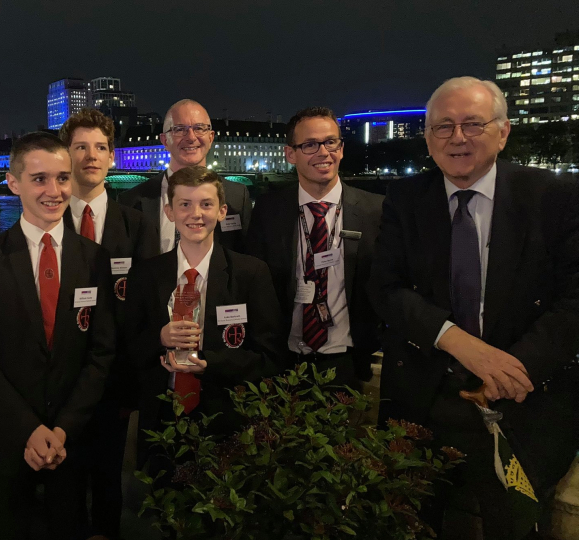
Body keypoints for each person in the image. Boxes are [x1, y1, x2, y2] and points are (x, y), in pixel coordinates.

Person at [368, 76, 579, 539]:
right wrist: (459, 343)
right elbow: (386, 289)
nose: (457, 137)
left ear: (503, 132)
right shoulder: (405, 199)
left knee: (516, 528)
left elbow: (574, 301)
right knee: (406, 524)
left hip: (521, 404)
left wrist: (512, 368)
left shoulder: (554, 197)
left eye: (472, 123)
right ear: (426, 137)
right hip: (424, 399)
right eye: (443, 127)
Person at [0, 132, 116, 540]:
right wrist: (28, 428)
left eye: (62, 178)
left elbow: (100, 352)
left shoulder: (94, 259)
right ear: (13, 183)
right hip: (6, 441)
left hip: (71, 442)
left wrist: (63, 429)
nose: (54, 190)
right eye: (39, 178)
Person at [124, 165, 282, 470]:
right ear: (169, 212)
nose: (196, 214)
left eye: (206, 204)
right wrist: (160, 338)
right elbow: (127, 347)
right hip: (161, 422)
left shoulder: (251, 273)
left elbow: (270, 357)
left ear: (222, 211)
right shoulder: (145, 275)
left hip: (228, 420)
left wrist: (211, 363)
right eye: (185, 204)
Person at [58, 108, 156, 539]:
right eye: (80, 147)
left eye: (100, 147)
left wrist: (134, 377)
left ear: (112, 158)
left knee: (110, 471)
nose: (91, 156)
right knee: (64, 474)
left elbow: (143, 306)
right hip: (59, 373)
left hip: (115, 374)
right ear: (67, 154)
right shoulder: (48, 218)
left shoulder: (135, 223)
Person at [246, 107, 383, 389]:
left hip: (347, 362)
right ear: (290, 154)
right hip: (283, 361)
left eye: (331, 142)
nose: (323, 152)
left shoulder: (376, 211)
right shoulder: (268, 211)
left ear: (341, 149)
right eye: (310, 145)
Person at [118, 99, 252, 254]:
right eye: (179, 129)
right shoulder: (130, 201)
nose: (191, 137)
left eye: (199, 128)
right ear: (164, 141)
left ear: (211, 137)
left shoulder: (237, 197)